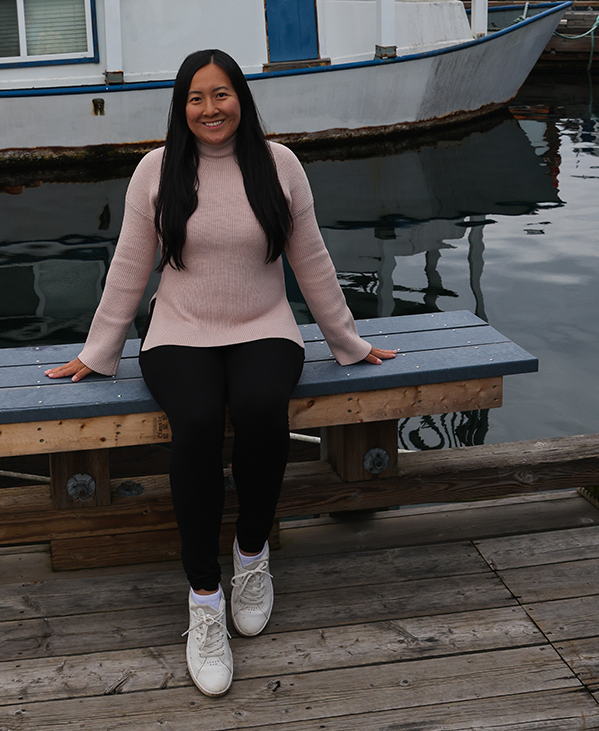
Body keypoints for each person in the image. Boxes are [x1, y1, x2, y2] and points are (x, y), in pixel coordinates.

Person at [46, 48, 395, 697]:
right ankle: (204, 597)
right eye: (197, 98)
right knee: (199, 423)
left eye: (222, 94)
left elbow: (311, 259)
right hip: (179, 331)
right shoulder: (157, 170)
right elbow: (129, 266)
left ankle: (252, 553)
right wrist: (99, 350)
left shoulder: (279, 165)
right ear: (182, 107)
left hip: (265, 324)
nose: (210, 109)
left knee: (265, 410)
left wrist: (348, 339)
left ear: (242, 97)